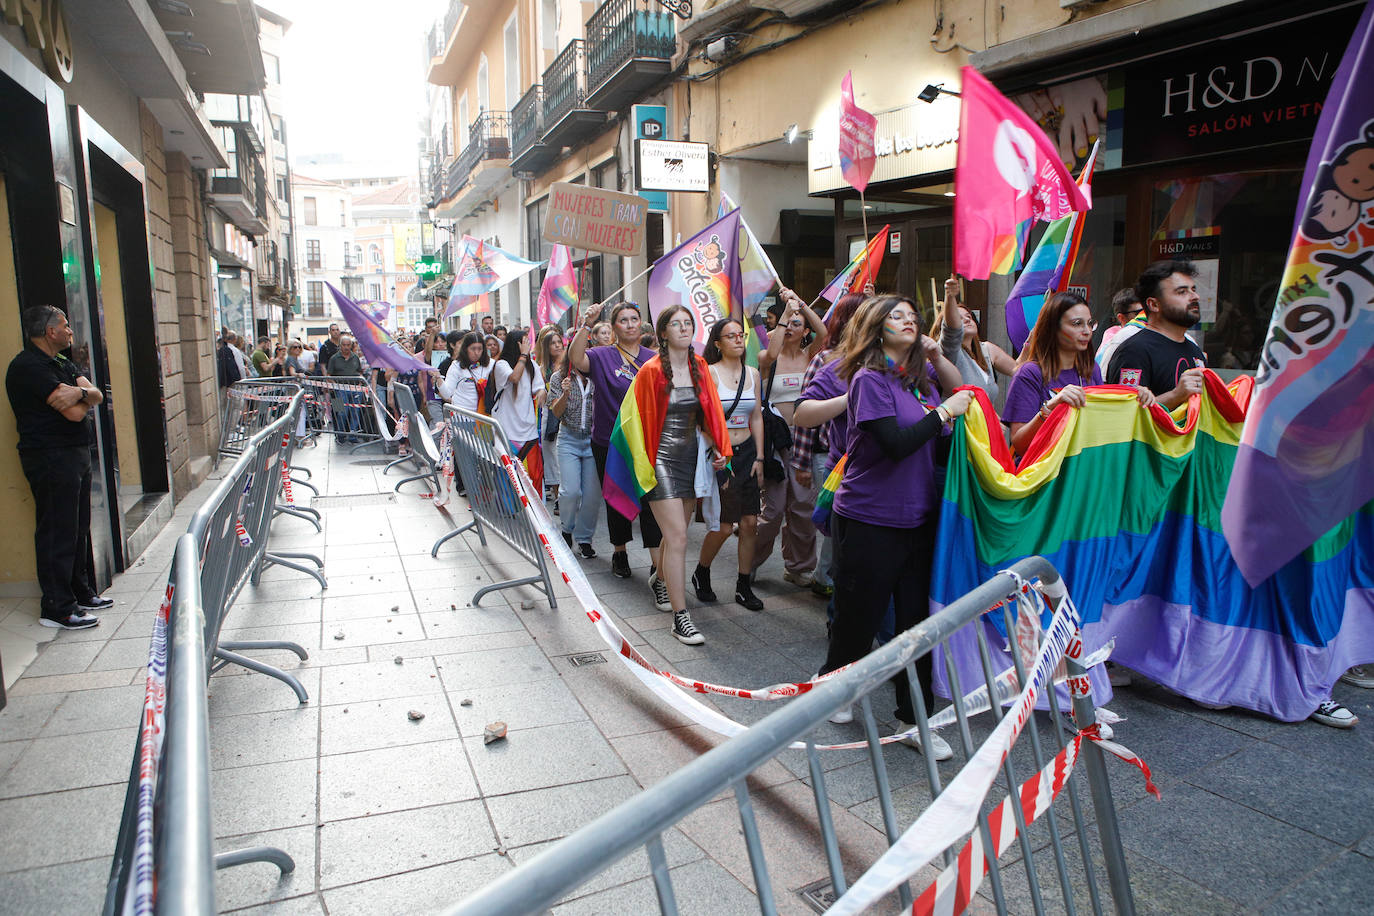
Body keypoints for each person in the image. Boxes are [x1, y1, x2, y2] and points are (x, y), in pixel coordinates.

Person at [819, 295, 968, 760]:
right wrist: (944, 413)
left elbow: (952, 418)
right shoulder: (868, 379)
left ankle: (913, 719)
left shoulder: (919, 383)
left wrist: (940, 366)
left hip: (918, 518)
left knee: (915, 624)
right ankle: (837, 685)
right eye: (896, 316)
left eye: (912, 316)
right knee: (857, 615)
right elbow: (896, 444)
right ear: (876, 328)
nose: (909, 321)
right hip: (867, 518)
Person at [625, 305, 732, 644]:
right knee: (679, 539)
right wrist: (643, 464)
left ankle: (661, 578)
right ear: (664, 332)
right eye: (677, 324)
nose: (684, 328)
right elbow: (636, 421)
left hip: (692, 459)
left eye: (689, 323)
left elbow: (712, 412)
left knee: (677, 536)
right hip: (659, 460)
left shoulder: (700, 366)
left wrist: (720, 449)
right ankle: (680, 617)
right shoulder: (650, 370)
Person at [5, 305, 110, 629]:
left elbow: (95, 395)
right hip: (50, 457)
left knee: (77, 527)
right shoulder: (28, 367)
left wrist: (79, 392)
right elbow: (76, 413)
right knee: (57, 530)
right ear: (50, 331)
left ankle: (79, 592)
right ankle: (57, 607)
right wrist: (85, 396)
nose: (70, 331)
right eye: (65, 326)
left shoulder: (61, 362)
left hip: (74, 453)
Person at [568, 301, 665, 588]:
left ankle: (656, 561)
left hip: (645, 443)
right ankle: (620, 552)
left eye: (635, 319)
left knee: (651, 501)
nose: (630, 324)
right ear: (614, 327)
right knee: (616, 497)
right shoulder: (600, 356)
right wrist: (586, 324)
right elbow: (576, 359)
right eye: (623, 320)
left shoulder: (653, 358)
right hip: (608, 442)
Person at [1003, 291, 1155, 456]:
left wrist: (1134, 399)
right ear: (1053, 328)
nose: (1087, 331)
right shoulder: (1030, 373)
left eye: (1090, 323)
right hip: (1044, 475)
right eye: (1077, 324)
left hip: (1082, 471)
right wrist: (1052, 406)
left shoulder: (1091, 369)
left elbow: (1103, 427)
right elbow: (1020, 444)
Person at [792, 291, 867, 601]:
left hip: (865, 466)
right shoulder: (826, 360)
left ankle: (828, 578)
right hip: (831, 459)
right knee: (831, 525)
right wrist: (801, 461)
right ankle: (827, 580)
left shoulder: (893, 363)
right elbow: (804, 413)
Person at [754, 288, 828, 587]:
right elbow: (770, 353)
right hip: (776, 442)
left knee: (802, 508)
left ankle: (798, 566)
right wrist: (786, 312)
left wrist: (801, 302)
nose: (791, 327)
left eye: (798, 323)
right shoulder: (767, 356)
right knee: (771, 510)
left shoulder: (812, 356)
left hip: (804, 442)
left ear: (805, 331)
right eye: (787, 324)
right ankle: (751, 561)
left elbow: (823, 330)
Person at [693, 318, 765, 611]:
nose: (738, 339)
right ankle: (702, 571)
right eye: (731, 335)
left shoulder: (753, 374)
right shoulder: (708, 373)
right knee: (724, 526)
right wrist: (717, 448)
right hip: (721, 454)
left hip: (748, 450)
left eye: (741, 334)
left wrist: (760, 456)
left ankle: (743, 585)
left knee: (749, 523)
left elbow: (757, 416)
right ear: (718, 343)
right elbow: (700, 419)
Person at [1105, 260, 1206, 409]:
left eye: (1193, 289)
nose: (1195, 296)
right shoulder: (1134, 351)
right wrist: (1176, 395)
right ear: (1154, 304)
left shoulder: (1194, 349)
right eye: (1182, 292)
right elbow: (1124, 413)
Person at [547, 344, 599, 558]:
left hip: (593, 440)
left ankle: (585, 538)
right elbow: (556, 412)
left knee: (592, 496)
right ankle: (567, 529)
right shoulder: (560, 378)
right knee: (570, 491)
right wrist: (566, 394)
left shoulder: (598, 375)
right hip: (569, 438)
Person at [932, 276, 1016, 400]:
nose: (966, 319)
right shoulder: (948, 351)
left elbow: (1019, 371)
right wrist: (950, 296)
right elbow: (952, 330)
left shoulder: (986, 349)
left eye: (969, 316)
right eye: (959, 318)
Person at [490, 328, 546, 487]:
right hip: (507, 430)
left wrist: (542, 392)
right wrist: (523, 355)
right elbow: (514, 377)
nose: (528, 345)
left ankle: (531, 511)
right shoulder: (501, 364)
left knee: (533, 476)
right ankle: (508, 510)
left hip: (528, 430)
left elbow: (539, 387)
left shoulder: (532, 364)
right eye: (524, 342)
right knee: (507, 476)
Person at [536, 327, 565, 508]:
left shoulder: (570, 364)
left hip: (569, 414)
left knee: (564, 456)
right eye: (552, 343)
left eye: (558, 342)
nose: (556, 346)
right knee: (551, 455)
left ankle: (567, 495)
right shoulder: (541, 369)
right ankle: (557, 498)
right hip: (549, 414)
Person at [440, 331, 492, 413]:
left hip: (485, 416)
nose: (476, 352)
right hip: (463, 417)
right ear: (465, 349)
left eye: (480, 349)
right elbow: (447, 393)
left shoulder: (491, 364)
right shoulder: (456, 365)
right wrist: (439, 380)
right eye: (473, 349)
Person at [1095, 287, 1144, 370]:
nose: (1144, 316)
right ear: (1121, 318)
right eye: (1138, 313)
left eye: (1146, 311)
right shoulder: (1115, 338)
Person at [327, 335, 365, 442]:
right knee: (341, 412)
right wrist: (335, 386)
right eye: (344, 345)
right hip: (338, 390)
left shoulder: (355, 357)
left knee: (356, 412)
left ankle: (353, 435)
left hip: (354, 389)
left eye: (348, 345)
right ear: (340, 346)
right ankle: (340, 435)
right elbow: (328, 375)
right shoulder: (334, 358)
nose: (346, 347)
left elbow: (360, 372)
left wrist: (359, 384)